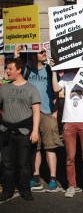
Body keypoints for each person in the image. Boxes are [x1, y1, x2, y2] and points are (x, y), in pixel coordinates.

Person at [14, 46, 63, 192]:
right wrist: (17, 54)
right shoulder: (27, 70)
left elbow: (56, 92)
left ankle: (53, 179)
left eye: (44, 51)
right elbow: (14, 74)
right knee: (35, 147)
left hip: (47, 112)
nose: (44, 53)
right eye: (40, 52)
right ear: (33, 55)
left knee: (50, 147)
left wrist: (55, 112)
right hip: (30, 114)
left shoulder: (49, 69)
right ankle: (35, 178)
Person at [51, 63, 83, 198]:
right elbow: (56, 87)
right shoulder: (67, 77)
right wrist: (54, 70)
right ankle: (71, 186)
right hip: (69, 120)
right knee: (70, 157)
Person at [0, 58, 40, 201]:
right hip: (6, 131)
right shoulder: (3, 88)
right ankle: (7, 190)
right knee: (7, 163)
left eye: (10, 69)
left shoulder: (31, 89)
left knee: (24, 163)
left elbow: (36, 111)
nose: (7, 71)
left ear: (19, 70)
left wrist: (35, 131)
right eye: (7, 69)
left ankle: (25, 190)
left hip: (24, 132)